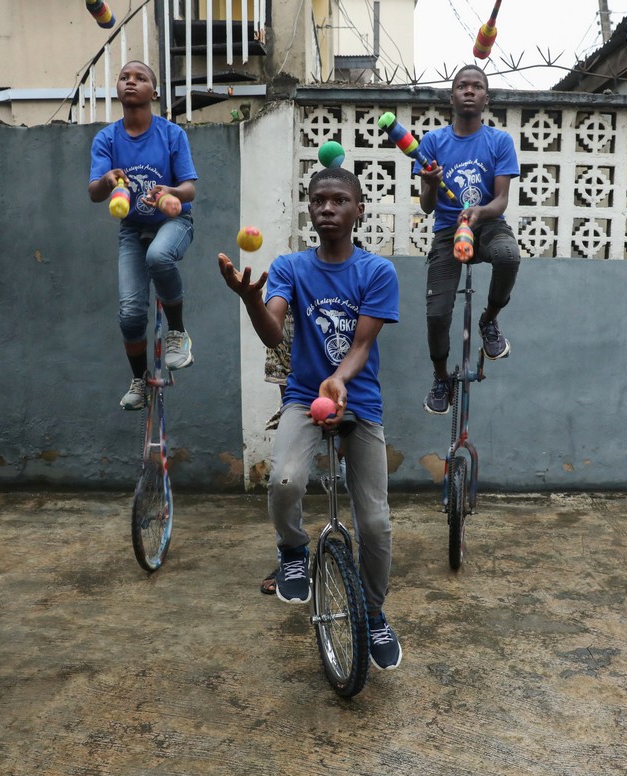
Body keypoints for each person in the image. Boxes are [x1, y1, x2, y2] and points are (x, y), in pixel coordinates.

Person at [218, 167, 403, 671]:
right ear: (309, 209)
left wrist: (339, 380)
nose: (327, 208)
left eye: (339, 200)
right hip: (304, 397)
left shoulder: (376, 272)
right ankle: (293, 549)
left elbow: (362, 343)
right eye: (318, 200)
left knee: (377, 523)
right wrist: (253, 301)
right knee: (283, 479)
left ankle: (372, 610)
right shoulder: (290, 267)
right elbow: (274, 333)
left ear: (358, 209)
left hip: (358, 401)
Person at [89, 59, 198, 410]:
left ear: (155, 92)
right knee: (130, 314)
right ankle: (139, 381)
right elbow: (94, 191)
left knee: (159, 256)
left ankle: (178, 334)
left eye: (140, 78)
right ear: (118, 89)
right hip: (133, 228)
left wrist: (169, 192)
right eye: (124, 77)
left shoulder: (171, 134)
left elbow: (189, 189)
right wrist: (107, 181)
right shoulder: (106, 139)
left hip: (174, 221)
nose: (130, 82)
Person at [415, 63, 521, 414]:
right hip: (447, 230)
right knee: (436, 315)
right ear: (452, 97)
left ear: (486, 98)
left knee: (508, 256)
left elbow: (501, 200)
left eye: (477, 86)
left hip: (487, 223)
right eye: (463, 86)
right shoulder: (433, 142)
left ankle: (489, 320)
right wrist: (430, 183)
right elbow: (427, 207)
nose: (470, 90)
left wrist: (479, 213)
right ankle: (441, 377)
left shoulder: (499, 141)